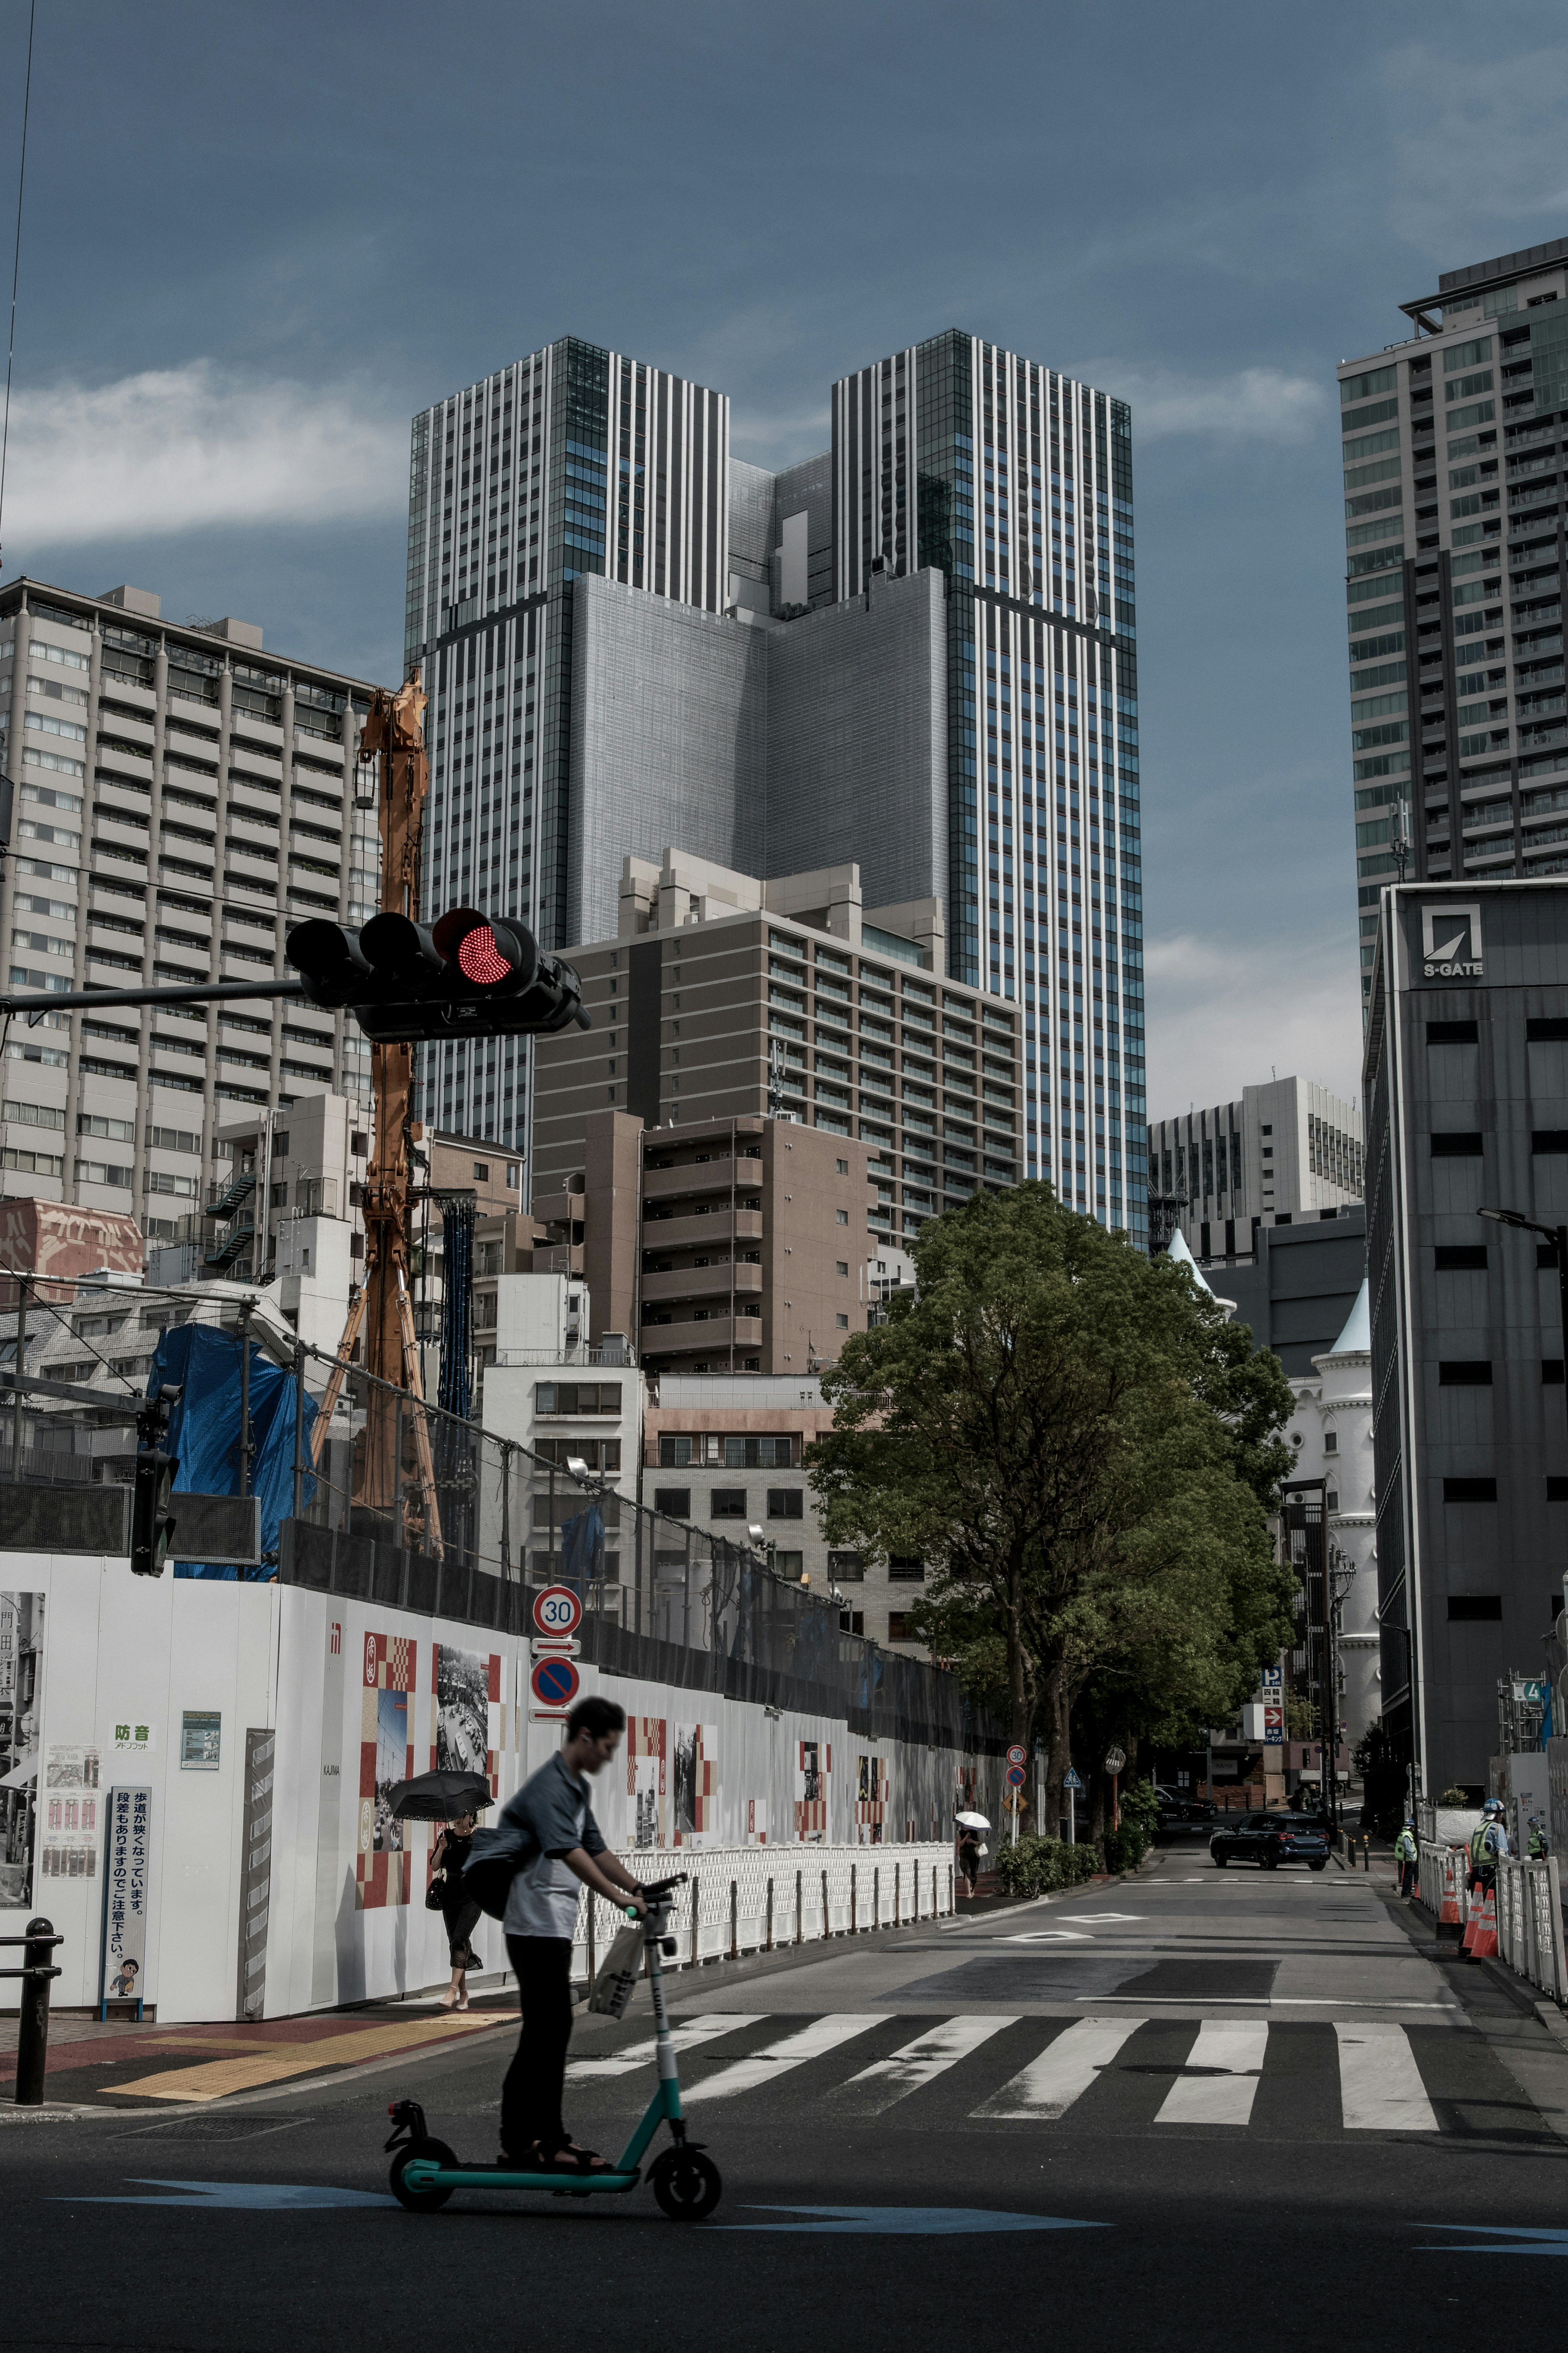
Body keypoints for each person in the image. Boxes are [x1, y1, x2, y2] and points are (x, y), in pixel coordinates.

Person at [498, 1695, 647, 2174]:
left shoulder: (575, 1790)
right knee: (549, 2029)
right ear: (585, 1737)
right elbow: (567, 1851)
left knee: (546, 2031)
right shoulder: (550, 1787)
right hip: (532, 1924)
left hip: (552, 1925)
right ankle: (541, 2140)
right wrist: (618, 1898)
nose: (609, 1755)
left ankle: (524, 2139)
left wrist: (638, 1887)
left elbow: (595, 1849)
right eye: (607, 1746)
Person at [431, 1811, 482, 2011]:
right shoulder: (446, 1836)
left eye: (462, 1814)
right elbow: (435, 1866)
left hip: (473, 1897)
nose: (457, 1818)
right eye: (456, 1814)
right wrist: (441, 1849)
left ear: (471, 1816)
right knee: (456, 1943)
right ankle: (464, 1994)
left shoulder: (477, 1838)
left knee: (460, 1938)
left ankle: (452, 1990)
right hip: (450, 1897)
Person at [1393, 1818, 1418, 1900]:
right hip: (1409, 1859)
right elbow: (1408, 1848)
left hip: (1407, 1858)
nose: (1414, 1829)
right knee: (1408, 1876)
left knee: (1409, 1875)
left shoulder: (1403, 1834)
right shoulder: (1407, 1835)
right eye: (1413, 1827)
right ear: (1411, 1827)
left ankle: (1408, 1891)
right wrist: (1412, 1858)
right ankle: (1406, 1892)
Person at [956, 1822, 981, 1899]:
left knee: (974, 1874)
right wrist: (966, 1838)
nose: (965, 1828)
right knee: (967, 1872)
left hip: (974, 1855)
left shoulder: (976, 1832)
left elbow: (980, 1843)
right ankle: (968, 1892)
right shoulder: (961, 1833)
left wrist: (972, 1841)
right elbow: (960, 1844)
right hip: (964, 1855)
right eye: (964, 1826)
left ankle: (973, 1889)